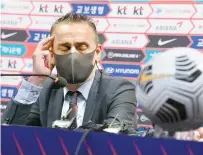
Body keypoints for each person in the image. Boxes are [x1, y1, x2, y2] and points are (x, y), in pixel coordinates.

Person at [1, 13, 137, 129]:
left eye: (81, 47)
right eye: (65, 47)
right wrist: (37, 79)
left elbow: (115, 137)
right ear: (52, 53)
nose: (73, 53)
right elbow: (10, 136)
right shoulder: (45, 89)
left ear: (97, 52)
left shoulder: (119, 89)